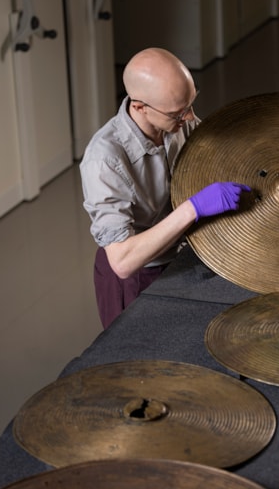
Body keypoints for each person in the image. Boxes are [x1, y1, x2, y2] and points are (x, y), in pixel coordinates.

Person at [80, 47, 250, 329]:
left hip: (179, 255)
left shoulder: (176, 120)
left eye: (191, 104)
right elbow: (122, 261)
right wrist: (193, 208)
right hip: (137, 275)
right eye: (177, 113)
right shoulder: (104, 159)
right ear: (139, 107)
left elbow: (214, 150)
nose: (189, 117)